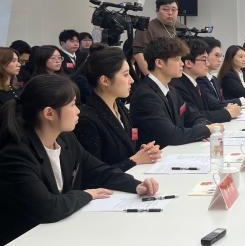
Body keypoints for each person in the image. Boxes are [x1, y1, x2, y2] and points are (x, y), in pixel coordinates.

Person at [0, 75, 159, 245]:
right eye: (72, 105)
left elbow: (97, 170)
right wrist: (86, 194)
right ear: (49, 113)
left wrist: (136, 185)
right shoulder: (16, 154)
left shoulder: (65, 139)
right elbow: (47, 207)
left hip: (59, 231)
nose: (78, 111)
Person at [74, 46, 161, 172]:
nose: (131, 80)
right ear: (105, 80)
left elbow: (128, 146)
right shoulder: (86, 119)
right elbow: (93, 173)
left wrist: (143, 151)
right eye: (125, 75)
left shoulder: (120, 108)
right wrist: (134, 160)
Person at [130, 37, 217, 147]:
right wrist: (205, 130)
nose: (182, 63)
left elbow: (193, 116)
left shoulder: (171, 90)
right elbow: (170, 136)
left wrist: (203, 126)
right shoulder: (146, 95)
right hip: (158, 154)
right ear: (159, 63)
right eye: (177, 59)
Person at [170, 38, 240, 123]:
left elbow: (209, 107)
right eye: (204, 60)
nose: (208, 63)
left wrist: (226, 107)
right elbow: (193, 116)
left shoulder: (194, 82)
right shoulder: (178, 86)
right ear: (188, 63)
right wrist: (227, 113)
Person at [132, 0, 184, 77]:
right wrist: (151, 77)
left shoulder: (182, 28)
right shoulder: (147, 27)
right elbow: (138, 53)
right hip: (158, 74)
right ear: (157, 10)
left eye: (174, 10)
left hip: (179, 74)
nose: (170, 13)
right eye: (165, 9)